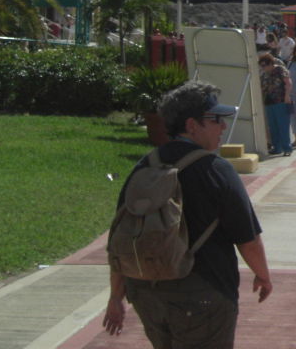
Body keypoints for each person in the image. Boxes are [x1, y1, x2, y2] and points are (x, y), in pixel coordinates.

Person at [102, 81, 273, 346]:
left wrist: (116, 296)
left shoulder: (145, 166)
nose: (223, 127)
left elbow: (124, 237)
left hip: (147, 293)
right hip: (202, 294)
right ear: (192, 125)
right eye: (216, 119)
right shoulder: (217, 170)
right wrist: (263, 275)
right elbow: (248, 240)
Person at [259, 54, 292, 156]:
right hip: (268, 102)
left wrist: (287, 96)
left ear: (270, 63)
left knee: (283, 126)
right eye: (261, 65)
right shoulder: (264, 74)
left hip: (280, 101)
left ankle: (287, 148)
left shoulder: (280, 70)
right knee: (272, 127)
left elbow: (288, 83)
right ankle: (277, 147)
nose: (263, 67)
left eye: (264, 65)